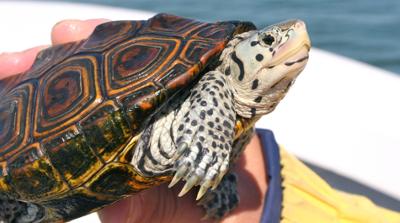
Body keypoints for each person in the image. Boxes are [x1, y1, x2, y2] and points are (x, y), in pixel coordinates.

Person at [1, 20, 399, 223]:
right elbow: (210, 90)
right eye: (267, 42)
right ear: (235, 58)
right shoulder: (215, 91)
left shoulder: (242, 108)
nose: (291, 38)